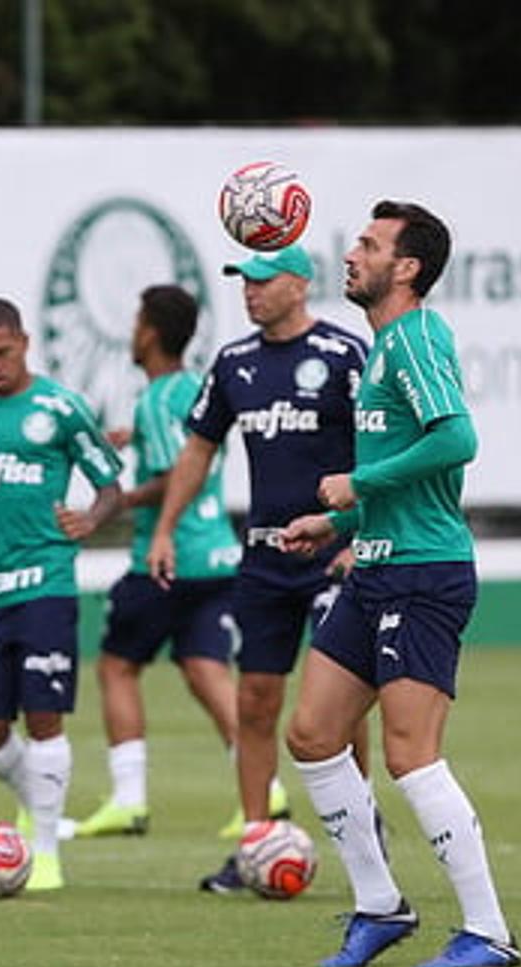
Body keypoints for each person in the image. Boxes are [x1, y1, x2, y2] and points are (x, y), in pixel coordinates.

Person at [280, 201, 519, 967]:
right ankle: (380, 905)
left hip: (423, 574)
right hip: (376, 565)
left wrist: (357, 481)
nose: (351, 254)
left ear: (406, 267)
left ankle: (487, 930)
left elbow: (457, 438)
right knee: (313, 735)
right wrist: (338, 527)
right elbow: (410, 474)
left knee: (411, 755)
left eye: (369, 244)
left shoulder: (415, 336)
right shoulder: (384, 348)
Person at [144, 243, 368, 893]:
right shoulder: (234, 364)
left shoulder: (342, 354)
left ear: (299, 285)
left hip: (333, 557)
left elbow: (377, 446)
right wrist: (163, 530)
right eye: (244, 282)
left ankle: (362, 822)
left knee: (343, 703)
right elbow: (196, 452)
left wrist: (359, 535)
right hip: (266, 560)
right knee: (254, 701)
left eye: (263, 281)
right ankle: (256, 841)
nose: (250, 292)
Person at [0, 297, 124, 891]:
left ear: (25, 343)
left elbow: (110, 484)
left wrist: (91, 521)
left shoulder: (61, 409)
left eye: (2, 352)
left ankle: (44, 854)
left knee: (43, 718)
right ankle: (38, 804)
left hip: (47, 583)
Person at [72, 286, 241, 840]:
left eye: (137, 320)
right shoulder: (196, 389)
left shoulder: (160, 396)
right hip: (216, 553)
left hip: (172, 556)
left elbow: (176, 474)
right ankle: (266, 792)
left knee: (117, 666)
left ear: (149, 332)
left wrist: (122, 503)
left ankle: (129, 799)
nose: (131, 332)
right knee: (203, 668)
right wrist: (134, 438)